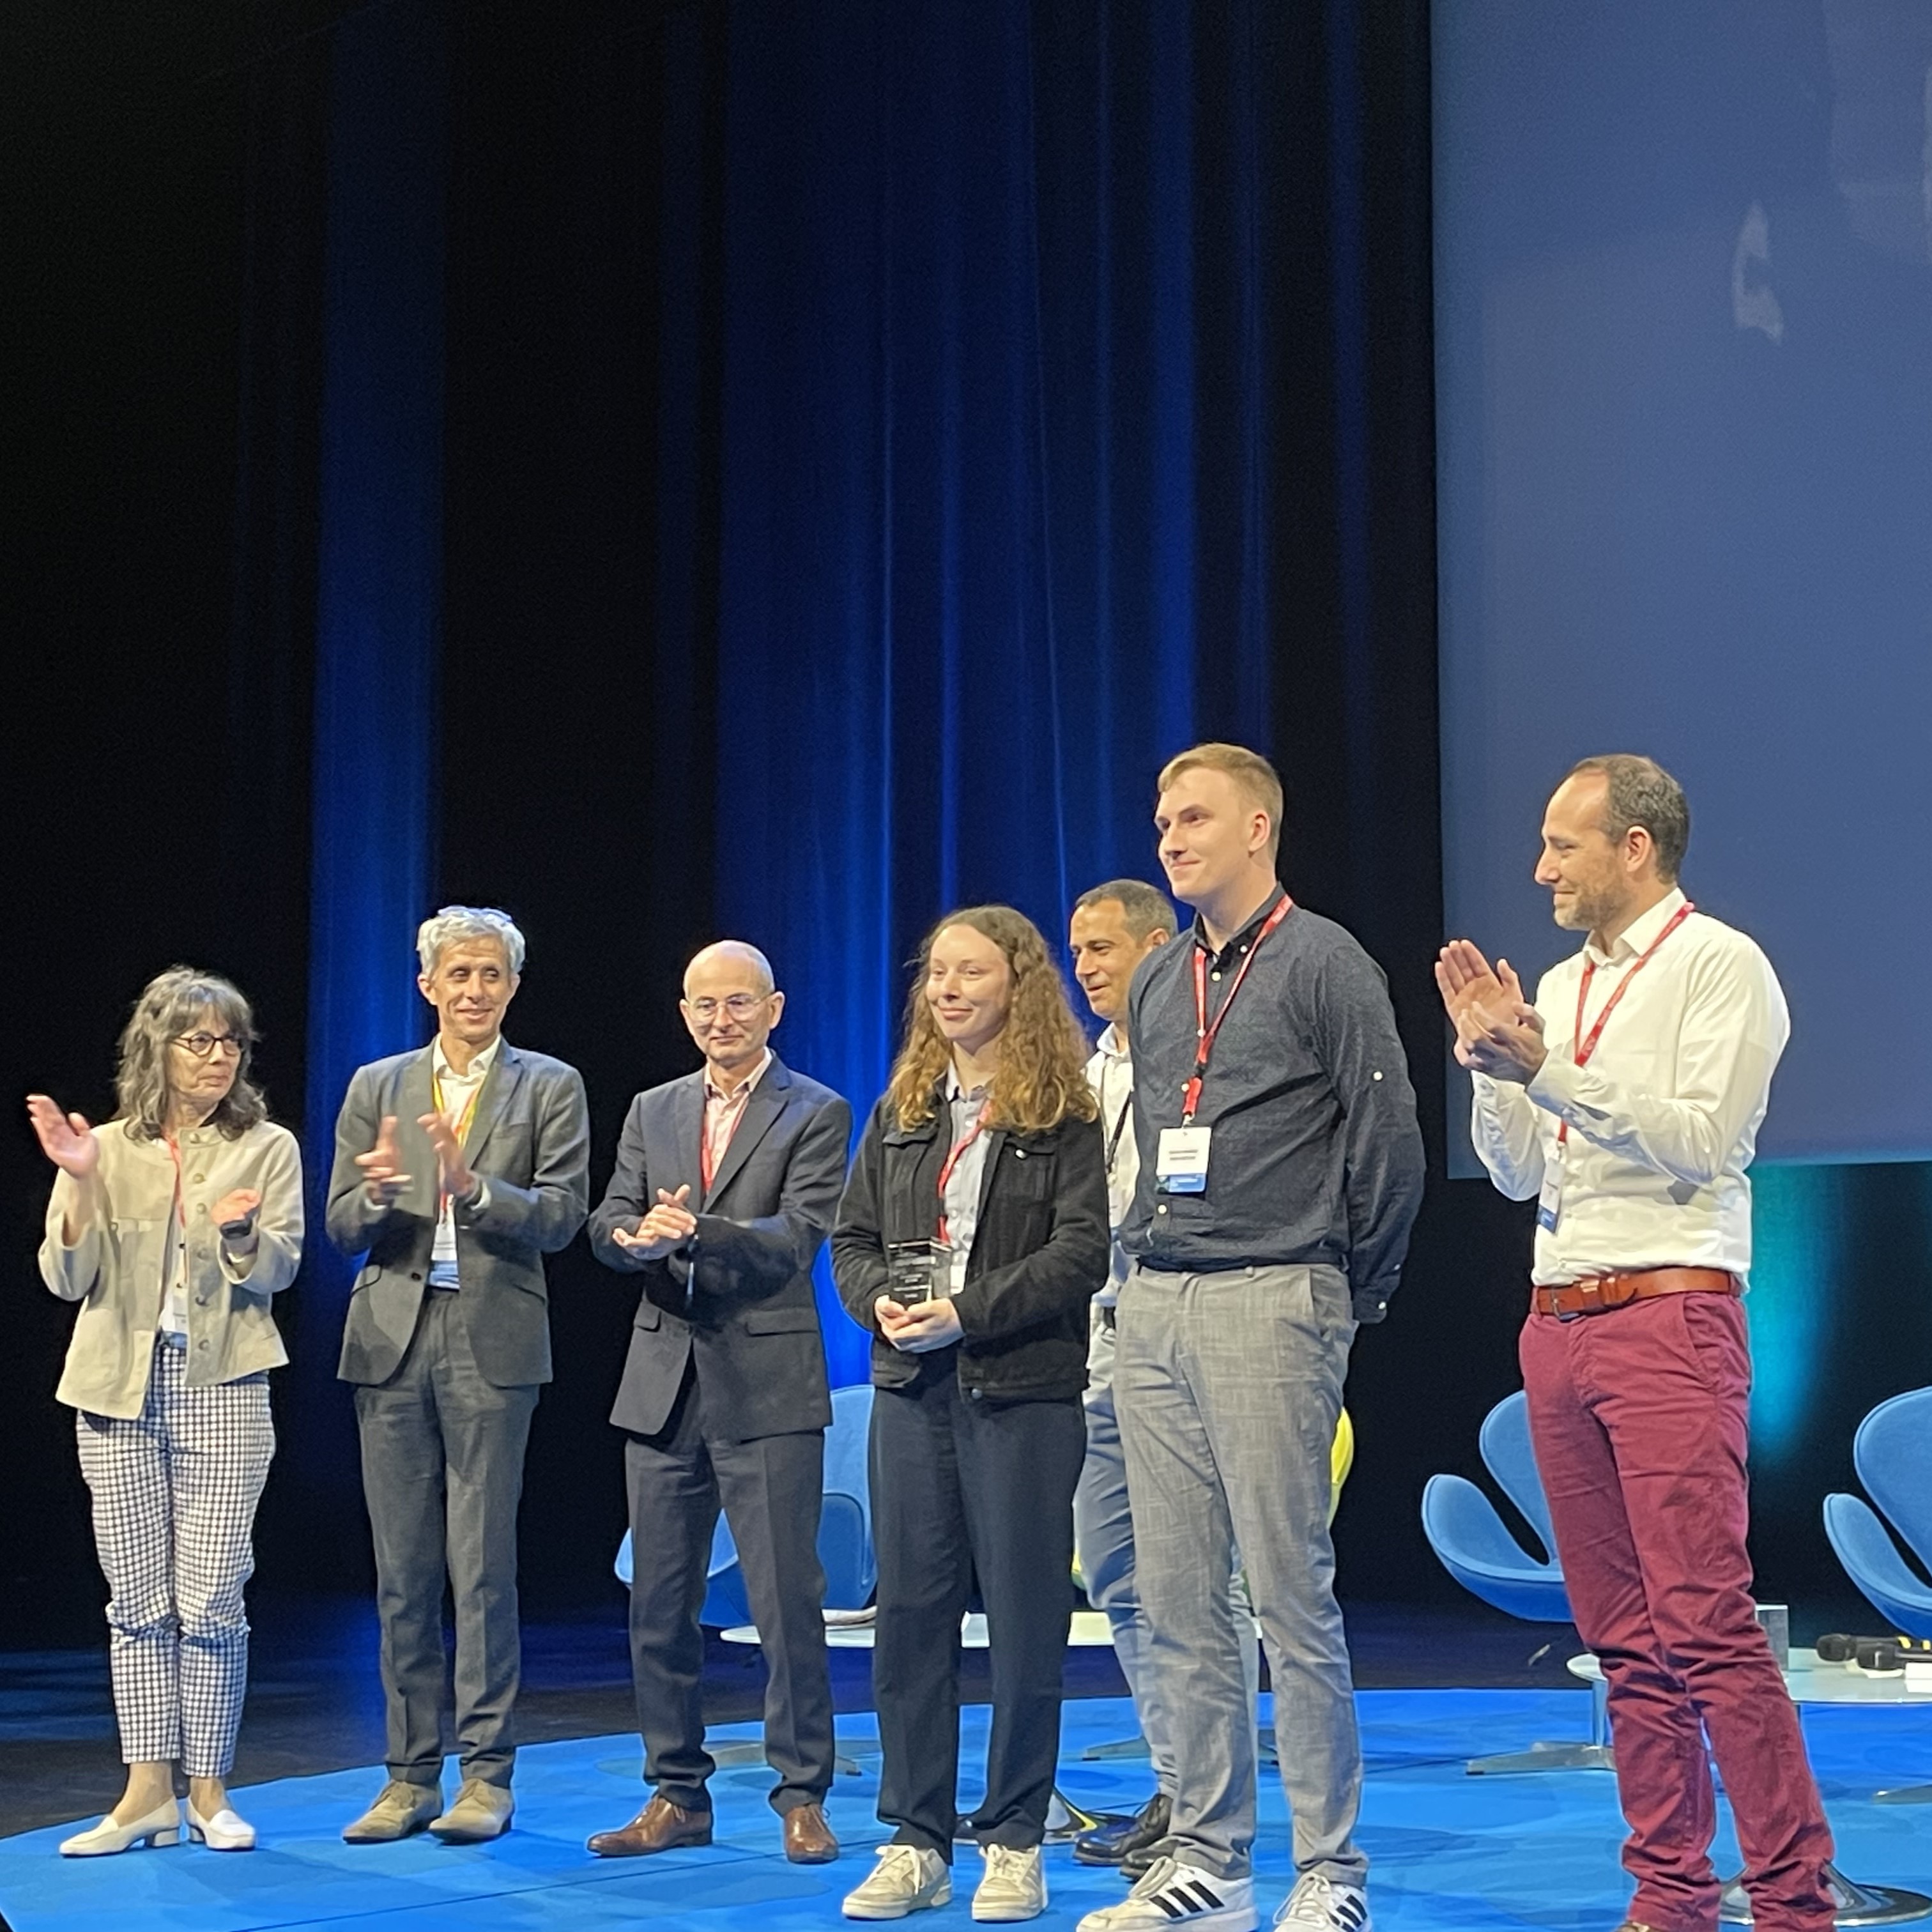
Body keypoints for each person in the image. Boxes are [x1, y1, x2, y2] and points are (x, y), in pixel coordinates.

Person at [1437, 754, 1834, 1932]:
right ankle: (1667, 1898)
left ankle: (1792, 1900)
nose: (1539, 867)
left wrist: (1547, 1067)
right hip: (1558, 1323)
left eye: (1563, 845)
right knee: (1621, 1640)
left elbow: (1702, 1142)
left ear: (1636, 848)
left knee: (1707, 1623)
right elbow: (1516, 1171)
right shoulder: (1554, 986)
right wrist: (1492, 1066)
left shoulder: (1724, 965)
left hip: (1669, 1316)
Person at [1081, 744, 1425, 1932]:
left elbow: (1388, 1146)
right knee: (1178, 1596)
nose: (1170, 837)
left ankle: (1330, 1870)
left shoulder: (1325, 961)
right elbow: (1152, 1137)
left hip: (1276, 1295)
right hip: (1158, 1300)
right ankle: (1208, 1855)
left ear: (1260, 827)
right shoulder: (1160, 977)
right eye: (1162, 817)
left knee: (1289, 1596)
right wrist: (1135, 1257)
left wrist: (1341, 1293)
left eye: (1194, 818)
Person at [832, 905, 1109, 1924]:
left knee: (1028, 1619)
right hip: (913, 1392)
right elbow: (853, 1239)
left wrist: (969, 1312)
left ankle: (1015, 1837)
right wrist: (884, 1309)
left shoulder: (1060, 1116)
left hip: (1021, 1390)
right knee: (910, 1617)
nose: (948, 990)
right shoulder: (902, 1109)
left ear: (1018, 987)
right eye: (937, 975)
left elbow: (1083, 1253)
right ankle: (915, 1837)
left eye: (972, 974)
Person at [583, 940, 852, 1866]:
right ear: (685, 1011)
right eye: (704, 1005)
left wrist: (701, 1229)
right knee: (658, 1607)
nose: (720, 1021)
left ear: (773, 1010)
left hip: (765, 1382)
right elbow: (604, 1221)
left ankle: (802, 1794)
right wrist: (633, 1233)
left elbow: (798, 1236)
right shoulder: (653, 1107)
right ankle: (675, 1795)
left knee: (786, 1603)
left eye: (738, 1004)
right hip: (662, 1384)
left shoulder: (815, 1109)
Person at [327, 905, 589, 1845]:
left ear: (512, 988)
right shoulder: (377, 1083)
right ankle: (407, 1778)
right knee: (401, 1574)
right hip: (391, 1334)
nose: (474, 991)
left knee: (481, 1569)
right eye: (458, 975)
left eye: (491, 976)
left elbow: (564, 1216)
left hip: (493, 1338)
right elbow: (341, 1224)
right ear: (427, 985)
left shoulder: (549, 1085)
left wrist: (471, 1189)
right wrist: (389, 1192)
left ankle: (487, 1777)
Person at [31, 968, 303, 1857]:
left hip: (223, 1387)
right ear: (158, 1047)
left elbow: (282, 1270)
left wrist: (237, 1235)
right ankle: (147, 1790)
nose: (219, 1057)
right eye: (200, 1040)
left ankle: (212, 1792)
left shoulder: (267, 1146)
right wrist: (76, 1183)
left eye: (231, 1041)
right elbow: (64, 1279)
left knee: (212, 1596)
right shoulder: (104, 1146)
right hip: (115, 1389)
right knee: (137, 1600)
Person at [1064, 878, 1206, 1873]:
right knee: (1113, 1571)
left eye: (1103, 949)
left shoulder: (1197, 1059)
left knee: (1198, 1584)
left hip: (1185, 1335)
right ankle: (1173, 1784)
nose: (1086, 969)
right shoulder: (1087, 1073)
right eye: (1077, 953)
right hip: (1100, 1344)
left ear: (1159, 949)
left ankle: (1210, 1799)